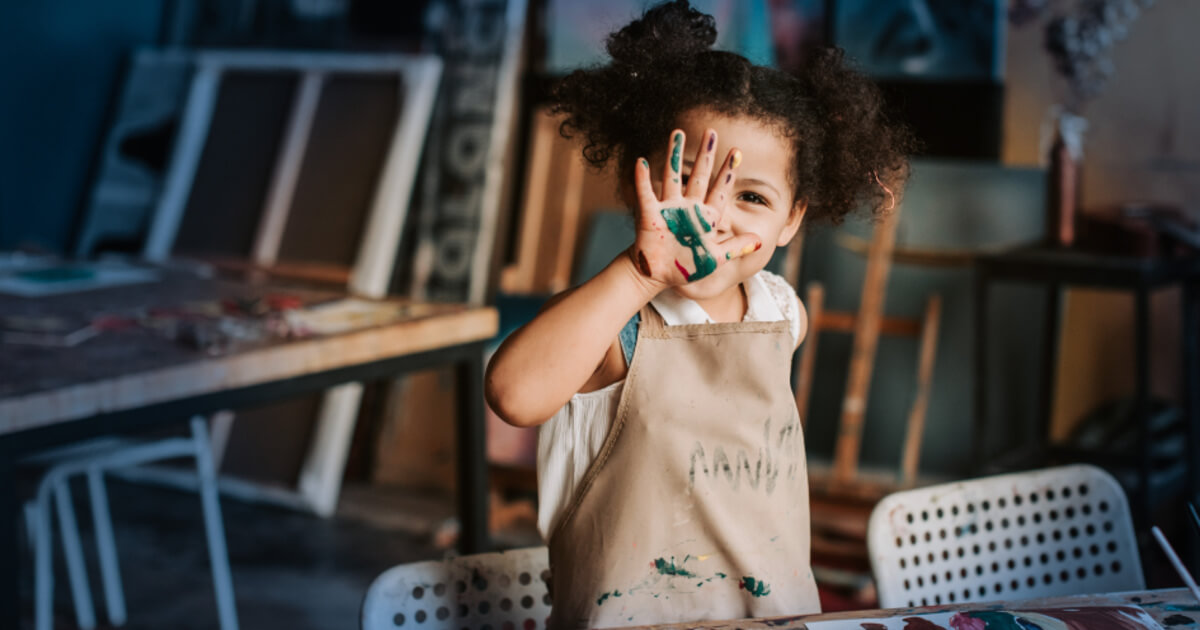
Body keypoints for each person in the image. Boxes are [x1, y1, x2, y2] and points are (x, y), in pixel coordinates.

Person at [485, 1, 912, 627]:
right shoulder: (616, 321)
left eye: (752, 197)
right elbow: (513, 395)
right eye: (688, 182)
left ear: (792, 219)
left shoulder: (781, 314)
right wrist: (638, 272)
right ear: (641, 187)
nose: (714, 216)